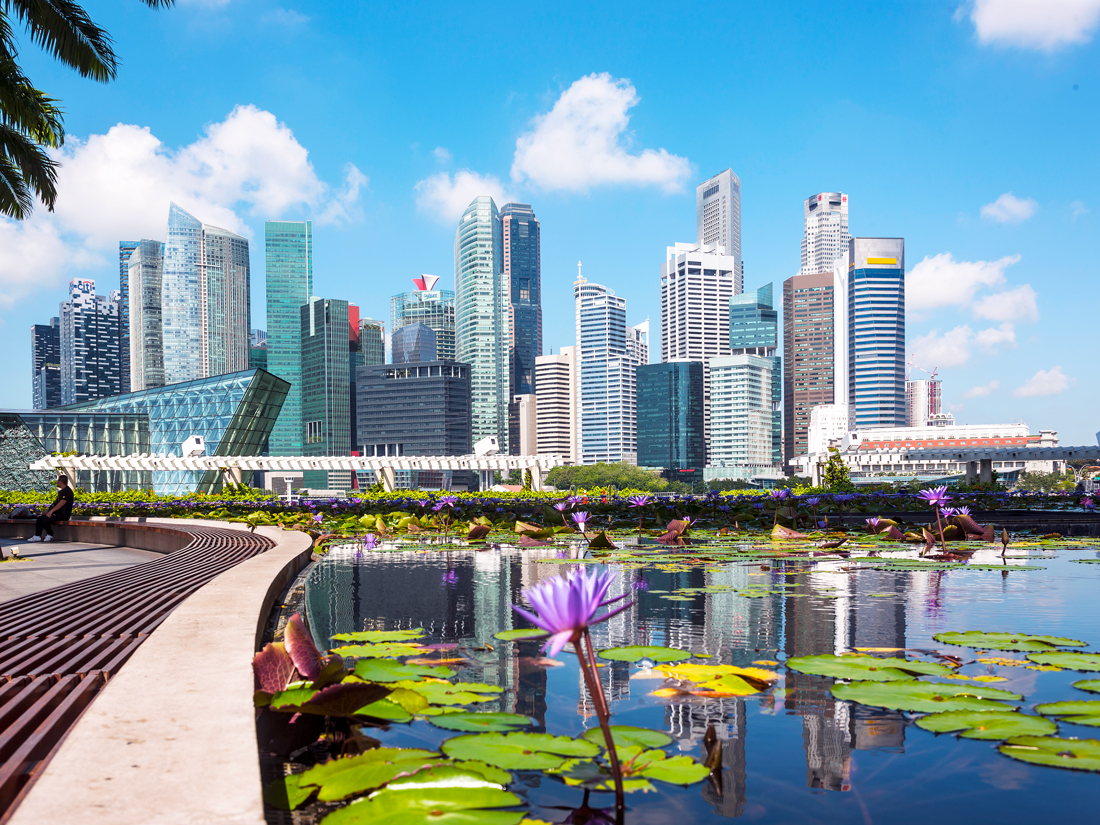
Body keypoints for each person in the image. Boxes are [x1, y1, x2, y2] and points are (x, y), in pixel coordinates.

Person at [28, 475, 74, 543]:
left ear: (60, 481)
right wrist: (48, 512)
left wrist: (51, 512)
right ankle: (37, 536)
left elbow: (61, 503)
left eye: (58, 481)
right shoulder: (62, 491)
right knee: (40, 518)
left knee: (45, 519)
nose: (57, 482)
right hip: (57, 513)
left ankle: (50, 534)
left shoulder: (67, 491)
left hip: (63, 514)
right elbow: (56, 504)